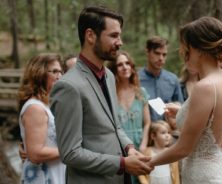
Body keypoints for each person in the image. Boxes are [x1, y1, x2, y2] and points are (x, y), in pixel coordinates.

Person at [50, 6, 152, 184]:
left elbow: (115, 126)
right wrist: (121, 164)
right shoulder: (68, 86)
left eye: (119, 35)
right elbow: (70, 153)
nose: (120, 42)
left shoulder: (110, 76)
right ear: (90, 36)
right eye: (113, 35)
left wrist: (129, 148)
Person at [148, 16, 222, 183]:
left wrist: (149, 162)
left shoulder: (204, 87)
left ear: (199, 49)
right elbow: (215, 118)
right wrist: (182, 110)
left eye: (186, 48)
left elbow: (183, 148)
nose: (183, 54)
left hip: (204, 176)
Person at [18, 53, 65, 184]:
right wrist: (70, 151)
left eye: (61, 72)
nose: (60, 76)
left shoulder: (47, 104)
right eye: (54, 71)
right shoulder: (35, 108)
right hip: (42, 177)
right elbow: (35, 153)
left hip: (56, 173)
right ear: (40, 73)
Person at [107, 51, 152, 184]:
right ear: (114, 70)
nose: (125, 67)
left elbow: (147, 123)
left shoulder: (140, 92)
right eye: (120, 64)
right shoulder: (110, 95)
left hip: (139, 146)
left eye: (127, 63)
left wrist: (143, 145)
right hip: (119, 148)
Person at [138, 36, 184, 122]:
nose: (161, 58)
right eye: (157, 53)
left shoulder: (173, 80)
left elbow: (181, 109)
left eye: (164, 54)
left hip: (168, 132)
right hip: (143, 131)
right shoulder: (136, 79)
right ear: (147, 52)